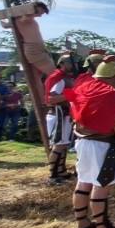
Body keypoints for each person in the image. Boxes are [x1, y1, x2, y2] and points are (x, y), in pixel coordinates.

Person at [65, 55, 115, 228]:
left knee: (83, 182)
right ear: (113, 75)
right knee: (101, 185)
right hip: (103, 145)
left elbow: (72, 107)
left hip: (82, 141)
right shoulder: (112, 94)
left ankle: (82, 223)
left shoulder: (82, 88)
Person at [45, 53, 75, 184]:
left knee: (63, 144)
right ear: (61, 64)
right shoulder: (58, 78)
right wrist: (71, 95)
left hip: (65, 115)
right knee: (58, 145)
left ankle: (61, 171)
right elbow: (51, 98)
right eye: (70, 62)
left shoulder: (67, 78)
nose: (73, 65)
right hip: (58, 115)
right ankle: (52, 175)